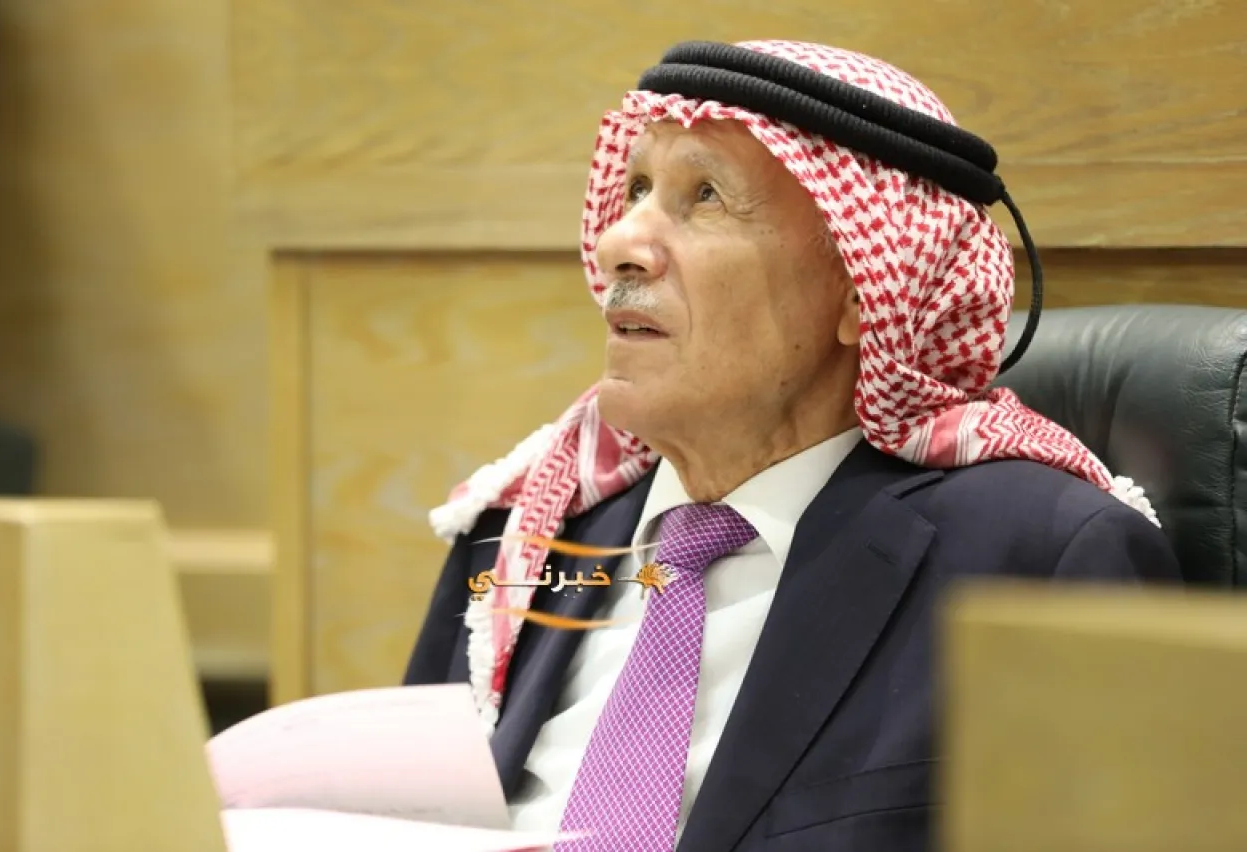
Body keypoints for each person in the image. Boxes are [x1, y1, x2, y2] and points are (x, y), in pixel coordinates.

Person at [405, 39, 1181, 851]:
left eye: (705, 197)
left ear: (864, 291)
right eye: (635, 189)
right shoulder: (525, 533)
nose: (618, 244)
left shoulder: (1038, 564)